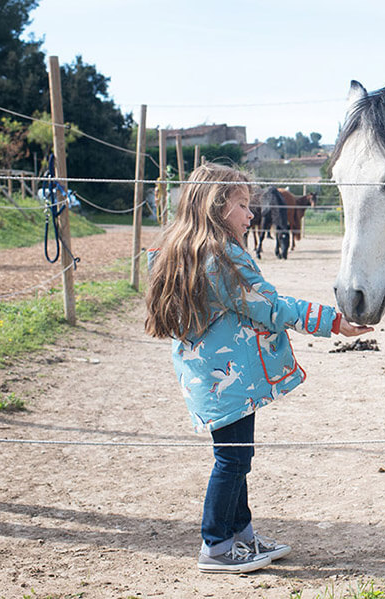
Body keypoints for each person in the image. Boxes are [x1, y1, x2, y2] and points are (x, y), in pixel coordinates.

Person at [145, 163, 372, 574]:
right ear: (217, 207)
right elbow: (269, 306)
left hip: (208, 378)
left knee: (236, 457)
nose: (251, 215)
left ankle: (242, 535)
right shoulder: (221, 257)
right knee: (232, 461)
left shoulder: (186, 251)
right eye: (243, 205)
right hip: (225, 382)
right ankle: (216, 544)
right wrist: (332, 322)